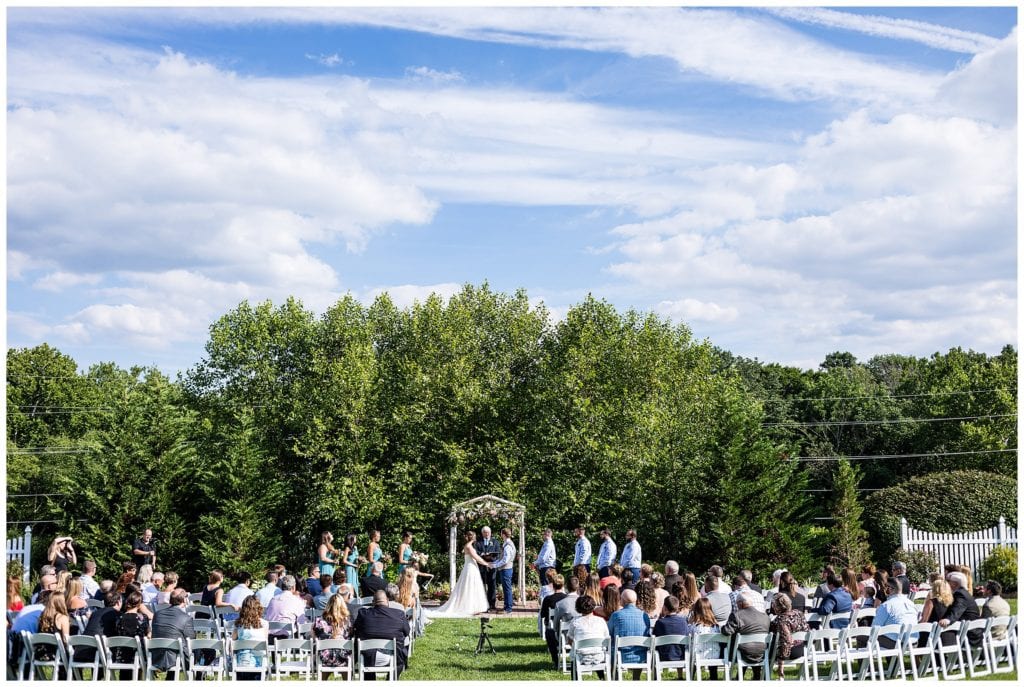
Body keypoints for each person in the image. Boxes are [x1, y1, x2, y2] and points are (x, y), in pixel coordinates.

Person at [425, 531, 489, 617]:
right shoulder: (469, 546)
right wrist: (487, 563)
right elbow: (476, 557)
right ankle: (469, 607)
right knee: (469, 586)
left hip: (473, 567)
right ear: (472, 537)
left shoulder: (469, 546)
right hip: (470, 568)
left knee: (474, 586)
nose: (476, 538)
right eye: (474, 536)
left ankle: (475, 607)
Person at [353, 590, 410, 679]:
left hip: (367, 657)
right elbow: (407, 632)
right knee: (401, 658)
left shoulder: (363, 613)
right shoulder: (399, 614)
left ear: (373, 602)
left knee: (367, 653)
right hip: (393, 655)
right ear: (387, 600)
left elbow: (356, 629)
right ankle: (391, 679)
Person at [722, 589, 770, 679]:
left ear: (740, 603)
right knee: (751, 646)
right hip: (762, 651)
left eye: (737, 604)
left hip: (743, 652)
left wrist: (721, 627)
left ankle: (739, 677)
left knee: (739, 645)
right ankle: (756, 675)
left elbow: (727, 631)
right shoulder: (765, 616)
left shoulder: (736, 615)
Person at [150, 588, 195, 679]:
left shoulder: (157, 614)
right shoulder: (186, 618)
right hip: (176, 658)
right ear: (184, 600)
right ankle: (198, 678)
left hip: (156, 656)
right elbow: (191, 639)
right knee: (196, 650)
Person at [608, 588, 651, 679]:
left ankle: (615, 679)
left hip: (621, 655)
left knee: (611, 647)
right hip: (641, 656)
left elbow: (609, 633)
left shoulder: (616, 615)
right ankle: (636, 678)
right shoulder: (645, 615)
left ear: (622, 600)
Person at [569, 594, 610, 679]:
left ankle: (575, 679)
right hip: (599, 656)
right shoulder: (601, 621)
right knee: (596, 649)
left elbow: (569, 639)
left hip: (581, 657)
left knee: (574, 656)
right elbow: (606, 639)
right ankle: (602, 678)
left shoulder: (575, 621)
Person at [872, 578, 919, 649]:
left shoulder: (886, 605)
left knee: (861, 637)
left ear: (890, 589)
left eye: (885, 588)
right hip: (913, 642)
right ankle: (895, 660)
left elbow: (875, 628)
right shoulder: (911, 604)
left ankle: (866, 659)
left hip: (896, 643)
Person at [113, 591, 151, 679]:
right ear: (140, 604)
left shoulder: (118, 618)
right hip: (139, 655)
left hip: (122, 655)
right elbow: (148, 633)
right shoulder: (143, 618)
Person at [314, 592, 352, 677]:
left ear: (328, 605)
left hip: (325, 657)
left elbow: (316, 638)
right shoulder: (347, 622)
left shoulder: (320, 621)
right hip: (343, 657)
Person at [940, 571, 982, 647]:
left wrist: (948, 620)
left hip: (970, 636)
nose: (946, 584)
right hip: (971, 632)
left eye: (948, 581)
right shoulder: (964, 592)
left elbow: (958, 609)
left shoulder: (960, 594)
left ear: (955, 584)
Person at [769, 593, 809, 673]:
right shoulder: (799, 613)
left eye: (773, 605)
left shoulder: (781, 620)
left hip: (789, 652)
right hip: (801, 649)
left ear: (777, 607)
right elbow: (807, 630)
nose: (772, 607)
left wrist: (781, 665)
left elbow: (786, 641)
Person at [654, 595, 690, 679]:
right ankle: (680, 675)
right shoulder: (683, 622)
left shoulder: (660, 623)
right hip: (681, 655)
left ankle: (656, 677)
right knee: (678, 647)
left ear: (665, 608)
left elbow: (655, 637)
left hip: (663, 655)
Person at [234, 595, 269, 679]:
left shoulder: (238, 625)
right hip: (260, 666)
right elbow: (265, 642)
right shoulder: (264, 624)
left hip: (241, 666)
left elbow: (233, 642)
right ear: (259, 608)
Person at [264, 575, 307, 639]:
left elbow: (267, 619)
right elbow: (301, 624)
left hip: (270, 638)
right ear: (293, 587)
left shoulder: (273, 599)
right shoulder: (296, 601)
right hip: (288, 639)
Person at [687, 597, 722, 675]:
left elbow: (688, 635)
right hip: (714, 655)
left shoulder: (694, 626)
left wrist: (691, 612)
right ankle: (713, 678)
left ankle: (691, 676)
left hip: (697, 655)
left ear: (696, 610)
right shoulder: (716, 626)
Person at [487, 528, 517, 614]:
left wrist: (495, 565)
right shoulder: (507, 543)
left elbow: (505, 560)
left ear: (503, 534)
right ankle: (506, 607)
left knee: (507, 589)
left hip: (506, 569)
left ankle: (508, 609)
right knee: (506, 588)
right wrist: (494, 563)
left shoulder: (508, 545)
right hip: (506, 569)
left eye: (501, 533)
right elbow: (502, 558)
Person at [473, 527, 501, 611]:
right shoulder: (477, 542)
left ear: (490, 532)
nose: (487, 533)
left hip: (491, 566)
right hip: (481, 566)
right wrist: (482, 554)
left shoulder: (495, 542)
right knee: (481, 585)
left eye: (488, 532)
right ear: (482, 533)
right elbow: (475, 552)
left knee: (492, 585)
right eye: (485, 532)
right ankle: (482, 604)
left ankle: (492, 604)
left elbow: (498, 553)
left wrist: (491, 557)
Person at [539, 572, 567, 637]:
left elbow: (543, 614)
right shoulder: (567, 598)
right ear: (563, 585)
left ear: (553, 585)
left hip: (552, 622)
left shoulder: (547, 599)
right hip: (565, 622)